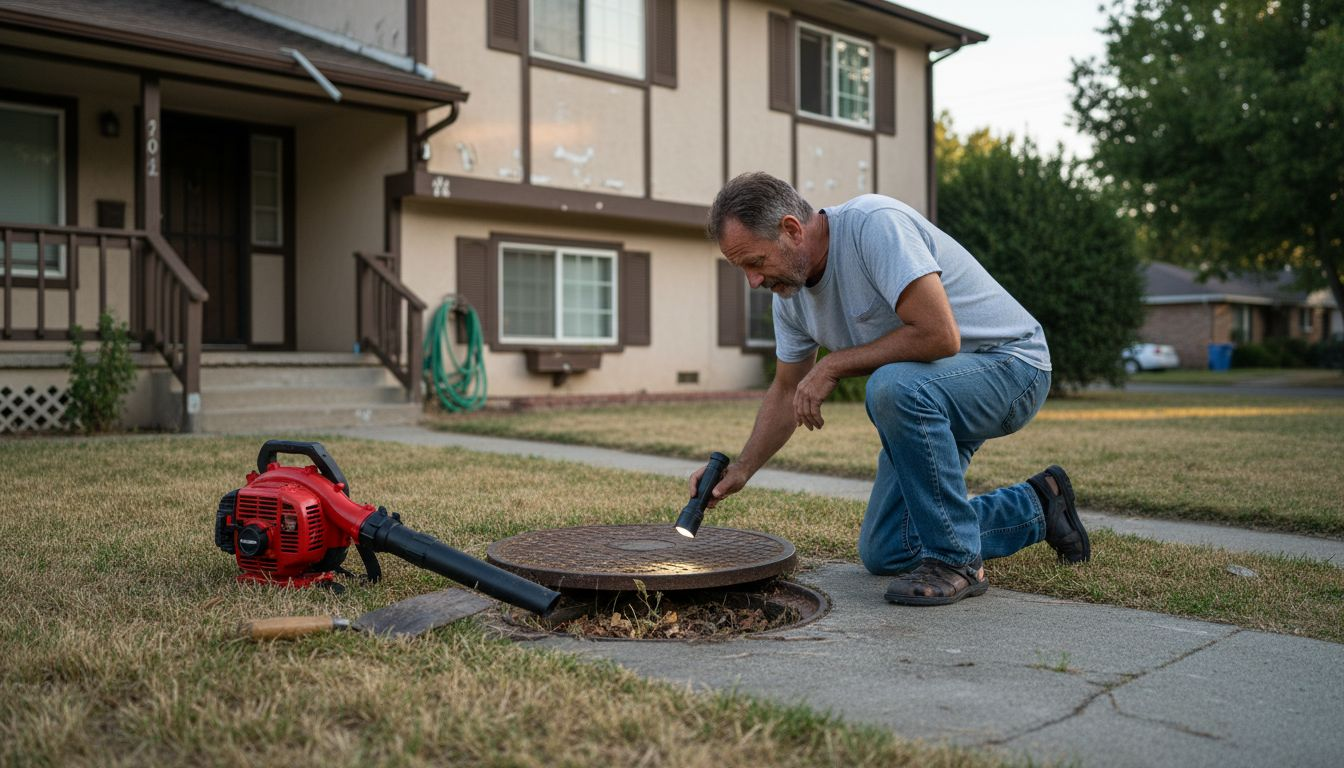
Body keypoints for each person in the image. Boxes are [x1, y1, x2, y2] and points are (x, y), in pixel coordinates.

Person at [691, 172, 1090, 606]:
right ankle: (1038, 506)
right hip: (934, 391)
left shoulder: (873, 225)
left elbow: (940, 336)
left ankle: (957, 561)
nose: (753, 280)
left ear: (791, 229)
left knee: (891, 386)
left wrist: (835, 365)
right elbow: (787, 389)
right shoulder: (790, 299)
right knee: (887, 549)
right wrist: (742, 469)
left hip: (1012, 367)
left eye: (755, 262)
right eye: (742, 269)